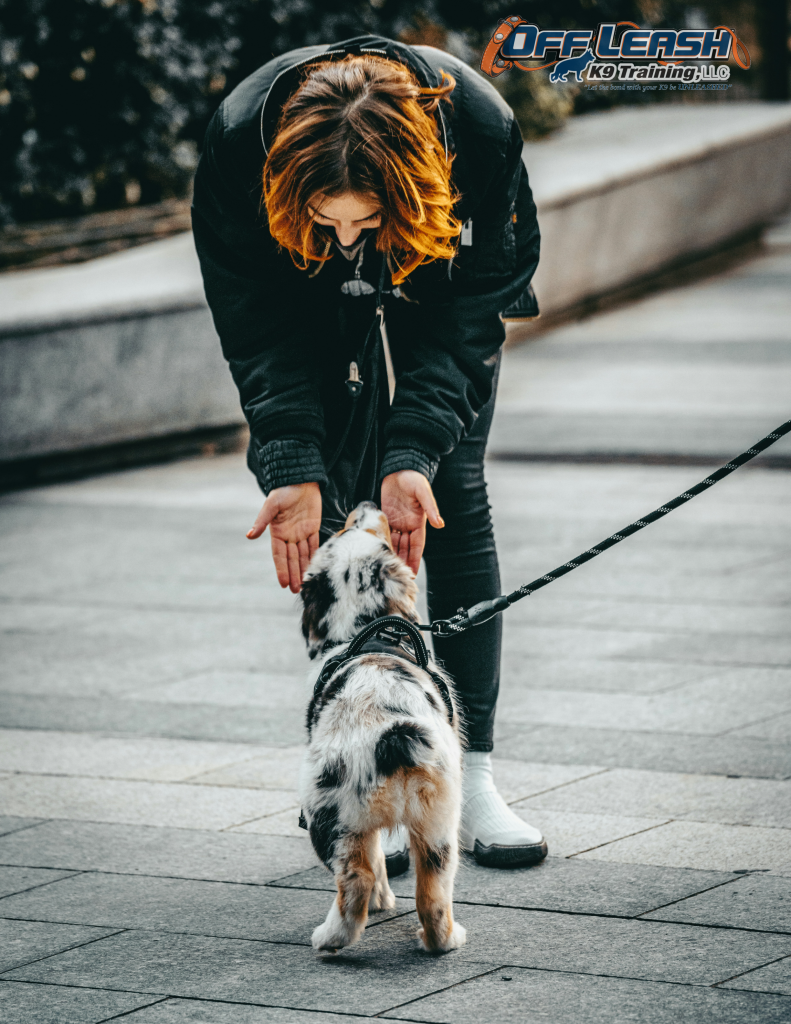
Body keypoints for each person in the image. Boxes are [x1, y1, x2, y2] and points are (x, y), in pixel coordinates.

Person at [192, 35, 545, 871]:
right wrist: (290, 463)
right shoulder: (241, 141)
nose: (348, 233)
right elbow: (255, 327)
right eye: (330, 216)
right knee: (337, 503)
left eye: (360, 216)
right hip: (297, 285)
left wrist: (414, 451)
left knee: (440, 490)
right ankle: (356, 775)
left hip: (438, 263)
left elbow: (469, 321)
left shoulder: (480, 132)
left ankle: (471, 775)